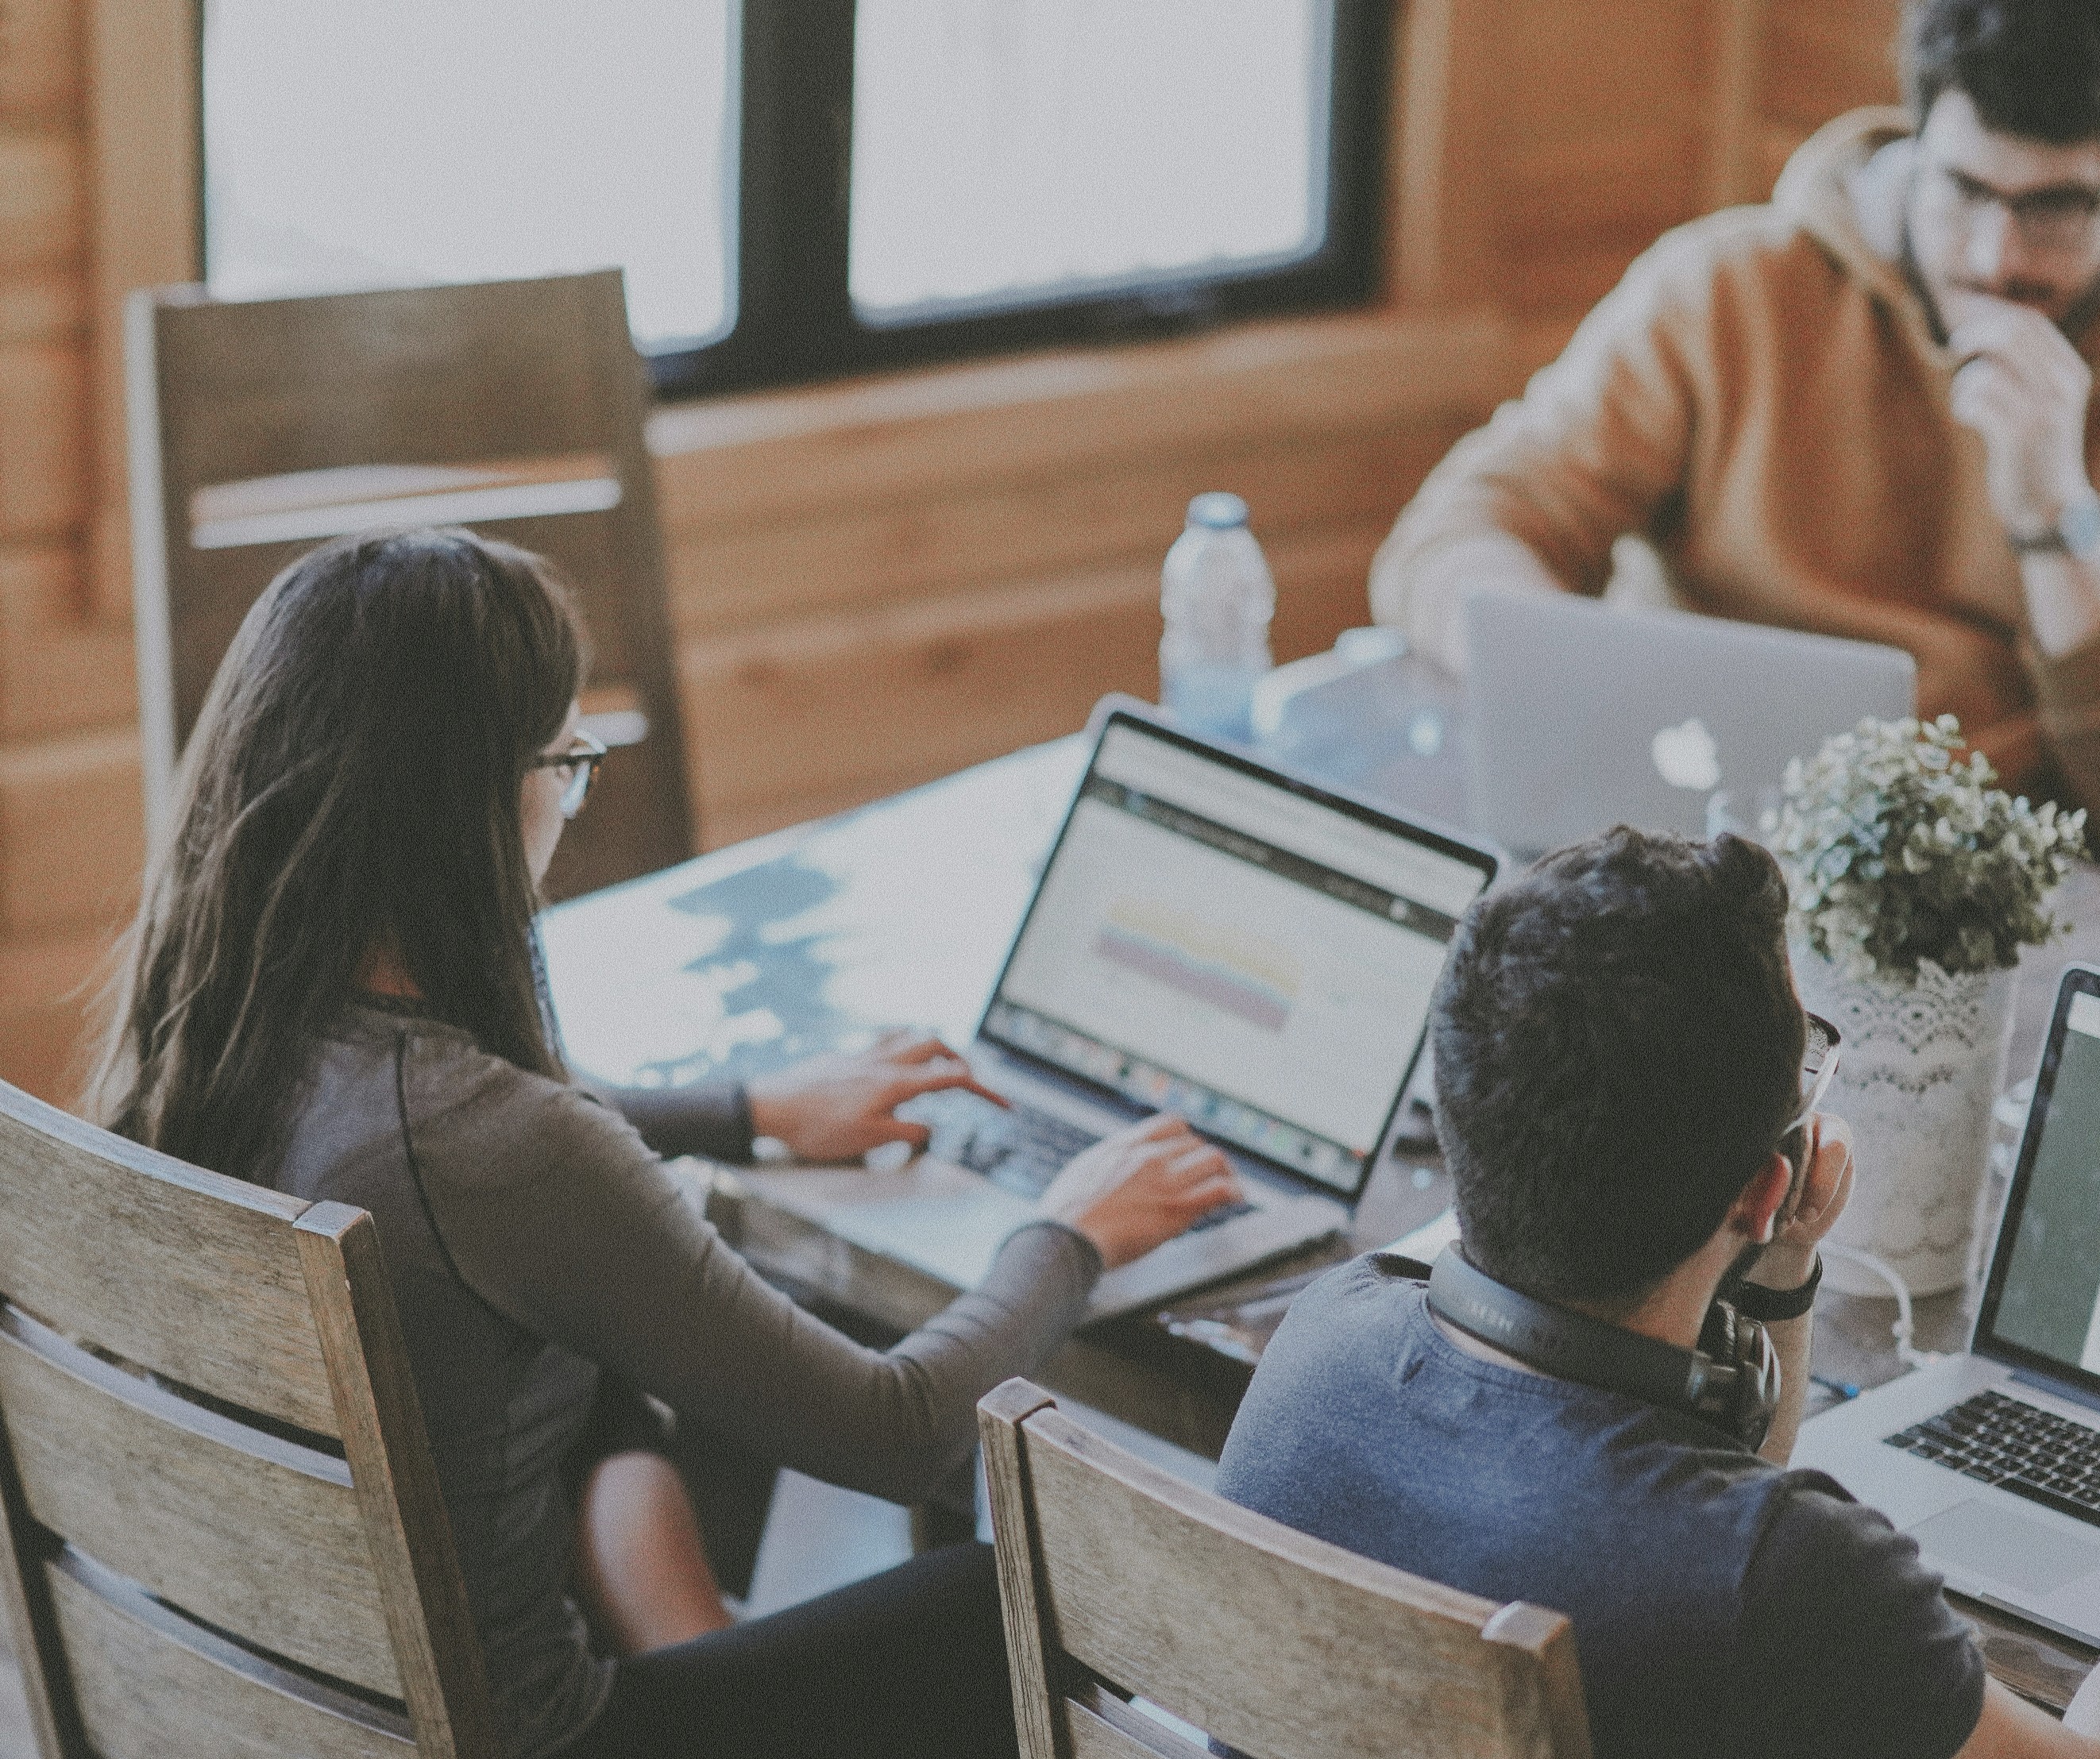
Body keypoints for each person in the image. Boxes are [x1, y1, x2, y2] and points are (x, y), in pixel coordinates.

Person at [87, 527, 1245, 1759]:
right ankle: (701, 1655)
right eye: (568, 762)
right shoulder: (497, 1148)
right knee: (974, 1603)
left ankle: (692, 1636)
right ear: (471, 800)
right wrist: (1071, 1230)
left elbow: (498, 1153)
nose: (570, 802)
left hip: (266, 1705)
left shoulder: (219, 1027)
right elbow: (899, 1431)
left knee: (632, 1381)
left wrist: (750, 1112)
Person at [1368, 0, 2100, 984]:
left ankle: (1982, 1053)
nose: (1997, 254)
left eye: (2055, 207)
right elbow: (1456, 537)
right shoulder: (1725, 290)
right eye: (1963, 188)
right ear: (1918, 133)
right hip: (1708, 867)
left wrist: (2059, 516)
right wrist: (1582, 688)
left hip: (2024, 915)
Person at [1218, 828, 2100, 1759]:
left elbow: (1711, 1486)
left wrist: (1781, 1267)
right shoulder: (1785, 1578)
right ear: (1760, 1186)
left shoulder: (1319, 1345)